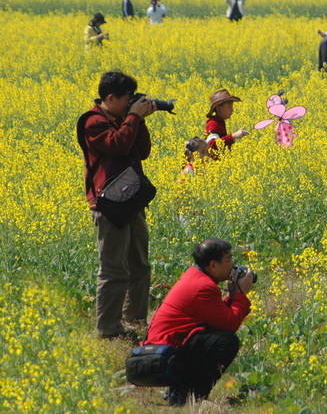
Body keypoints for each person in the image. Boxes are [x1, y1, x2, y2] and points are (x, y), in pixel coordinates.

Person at [76, 71, 156, 339]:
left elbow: (141, 151)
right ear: (110, 97)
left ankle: (135, 320)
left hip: (131, 200)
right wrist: (133, 117)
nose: (129, 104)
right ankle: (108, 330)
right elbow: (119, 145)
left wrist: (138, 120)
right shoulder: (93, 123)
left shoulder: (122, 119)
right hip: (109, 205)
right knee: (114, 270)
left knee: (140, 265)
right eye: (126, 100)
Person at [143, 238, 254, 406]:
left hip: (166, 347)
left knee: (214, 337)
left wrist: (232, 295)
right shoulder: (203, 286)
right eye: (229, 259)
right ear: (213, 265)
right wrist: (240, 294)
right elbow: (230, 324)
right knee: (226, 342)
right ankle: (190, 397)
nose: (233, 264)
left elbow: (217, 317)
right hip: (164, 355)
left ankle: (179, 391)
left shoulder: (196, 276)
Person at [204, 89, 249, 156]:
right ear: (219, 108)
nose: (232, 110)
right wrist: (233, 136)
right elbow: (211, 144)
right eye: (229, 107)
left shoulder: (219, 122)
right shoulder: (213, 124)